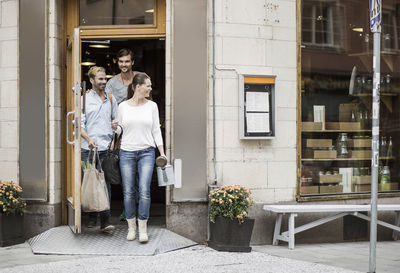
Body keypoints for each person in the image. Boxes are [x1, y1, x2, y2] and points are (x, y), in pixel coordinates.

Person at [118, 72, 165, 243]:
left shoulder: (152, 106)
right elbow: (119, 131)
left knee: (144, 191)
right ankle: (131, 228)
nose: (150, 88)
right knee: (129, 192)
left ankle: (143, 228)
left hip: (147, 152)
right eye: (148, 85)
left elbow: (156, 130)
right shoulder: (122, 107)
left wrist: (162, 152)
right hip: (127, 152)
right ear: (137, 87)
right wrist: (114, 127)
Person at [81, 66, 118, 233]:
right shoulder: (83, 100)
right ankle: (91, 216)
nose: (103, 82)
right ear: (91, 80)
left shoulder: (111, 98)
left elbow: (116, 122)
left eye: (105, 79)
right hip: (88, 150)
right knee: (90, 183)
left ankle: (105, 221)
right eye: (100, 79)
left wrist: (115, 133)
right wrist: (89, 140)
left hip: (106, 150)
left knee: (105, 185)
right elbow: (78, 126)